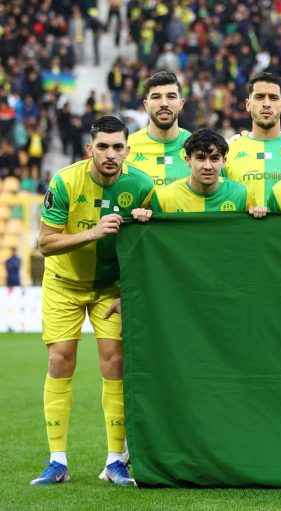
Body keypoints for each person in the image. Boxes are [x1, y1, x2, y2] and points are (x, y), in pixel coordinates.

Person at [32, 116, 155, 486]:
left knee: (114, 363)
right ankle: (57, 461)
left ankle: (116, 461)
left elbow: (149, 247)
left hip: (111, 288)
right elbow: (45, 243)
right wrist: (93, 233)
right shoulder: (65, 181)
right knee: (59, 359)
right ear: (90, 149)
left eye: (117, 147)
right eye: (103, 146)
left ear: (127, 150)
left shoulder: (142, 187)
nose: (110, 154)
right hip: (64, 283)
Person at [130, 129, 266, 219]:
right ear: (187, 160)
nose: (208, 166)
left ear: (224, 161)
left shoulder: (242, 195)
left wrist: (261, 215)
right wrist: (140, 217)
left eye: (214, 159)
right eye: (200, 158)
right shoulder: (163, 199)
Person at [222, 73, 281, 208]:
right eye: (259, 97)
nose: (266, 104)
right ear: (248, 104)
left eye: (273, 98)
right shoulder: (228, 151)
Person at [127, 71, 191, 188]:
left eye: (171, 97)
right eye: (156, 97)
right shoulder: (126, 148)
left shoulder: (196, 146)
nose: (164, 103)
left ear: (181, 104)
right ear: (146, 105)